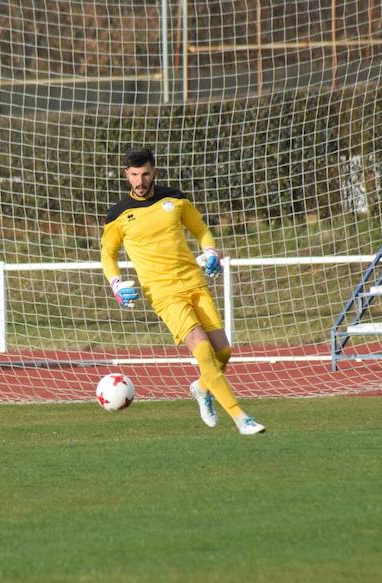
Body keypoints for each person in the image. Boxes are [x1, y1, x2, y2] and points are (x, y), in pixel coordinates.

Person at [100, 147, 266, 435]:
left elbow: (200, 230)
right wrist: (116, 284)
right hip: (162, 292)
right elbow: (108, 255)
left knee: (223, 352)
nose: (140, 181)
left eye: (146, 174)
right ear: (127, 175)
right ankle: (242, 419)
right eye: (134, 175)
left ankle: (202, 389)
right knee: (202, 349)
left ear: (155, 172)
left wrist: (211, 252)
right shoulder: (117, 214)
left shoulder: (175, 199)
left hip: (194, 282)